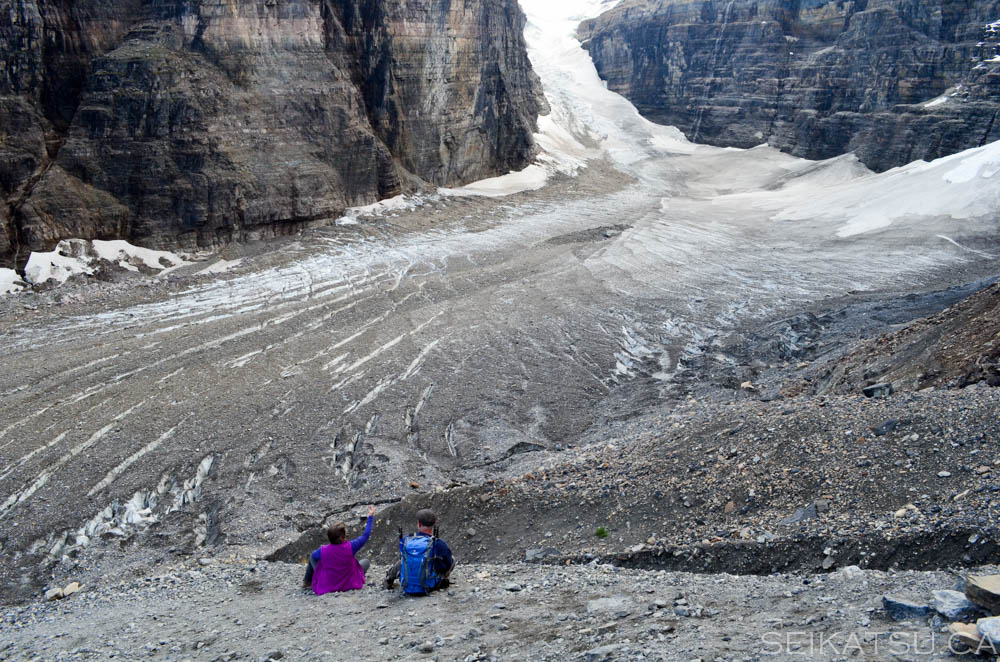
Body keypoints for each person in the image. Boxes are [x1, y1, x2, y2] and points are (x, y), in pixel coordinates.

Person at [303, 505, 374, 595]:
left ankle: (307, 582)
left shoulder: (323, 550)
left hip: (329, 584)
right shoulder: (351, 546)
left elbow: (313, 556)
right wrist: (371, 516)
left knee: (312, 557)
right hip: (349, 583)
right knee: (365, 562)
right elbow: (365, 535)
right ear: (342, 537)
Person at [383, 508, 454, 593]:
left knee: (402, 560)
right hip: (429, 585)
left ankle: (389, 579)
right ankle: (439, 580)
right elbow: (448, 564)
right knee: (452, 559)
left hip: (406, 585)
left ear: (419, 524)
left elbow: (402, 557)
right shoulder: (438, 543)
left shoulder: (407, 540)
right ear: (434, 523)